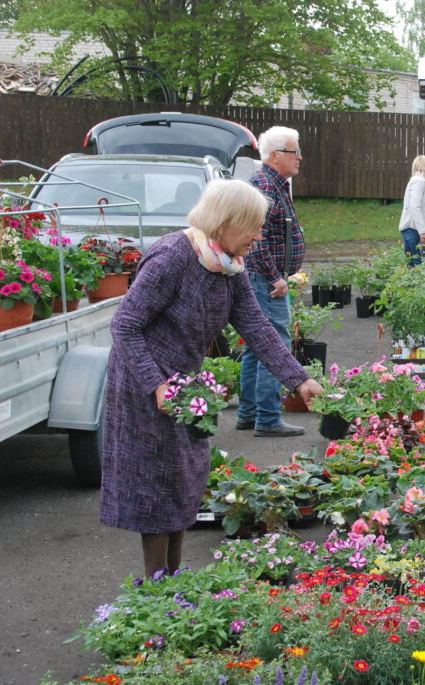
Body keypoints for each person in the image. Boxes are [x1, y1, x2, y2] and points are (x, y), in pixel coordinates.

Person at [100, 179, 323, 577]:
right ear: (225, 222)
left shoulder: (228, 264)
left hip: (185, 388)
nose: (258, 235)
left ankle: (174, 580)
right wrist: (156, 383)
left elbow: (255, 325)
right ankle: (156, 590)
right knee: (156, 489)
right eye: (252, 226)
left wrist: (298, 379)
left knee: (184, 481)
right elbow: (125, 326)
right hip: (144, 385)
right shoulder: (172, 257)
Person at [237, 125, 307, 437]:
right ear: (276, 155)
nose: (300, 158)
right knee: (274, 344)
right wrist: (275, 277)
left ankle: (248, 413)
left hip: (265, 278)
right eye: (295, 152)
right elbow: (257, 239)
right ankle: (267, 418)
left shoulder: (273, 183)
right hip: (267, 281)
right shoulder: (266, 186)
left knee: (256, 346)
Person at [398, 154, 425, 266]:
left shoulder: (423, 182)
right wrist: (422, 231)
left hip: (411, 228)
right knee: (419, 264)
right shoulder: (419, 182)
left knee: (411, 263)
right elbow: (415, 207)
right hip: (413, 229)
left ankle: (408, 283)